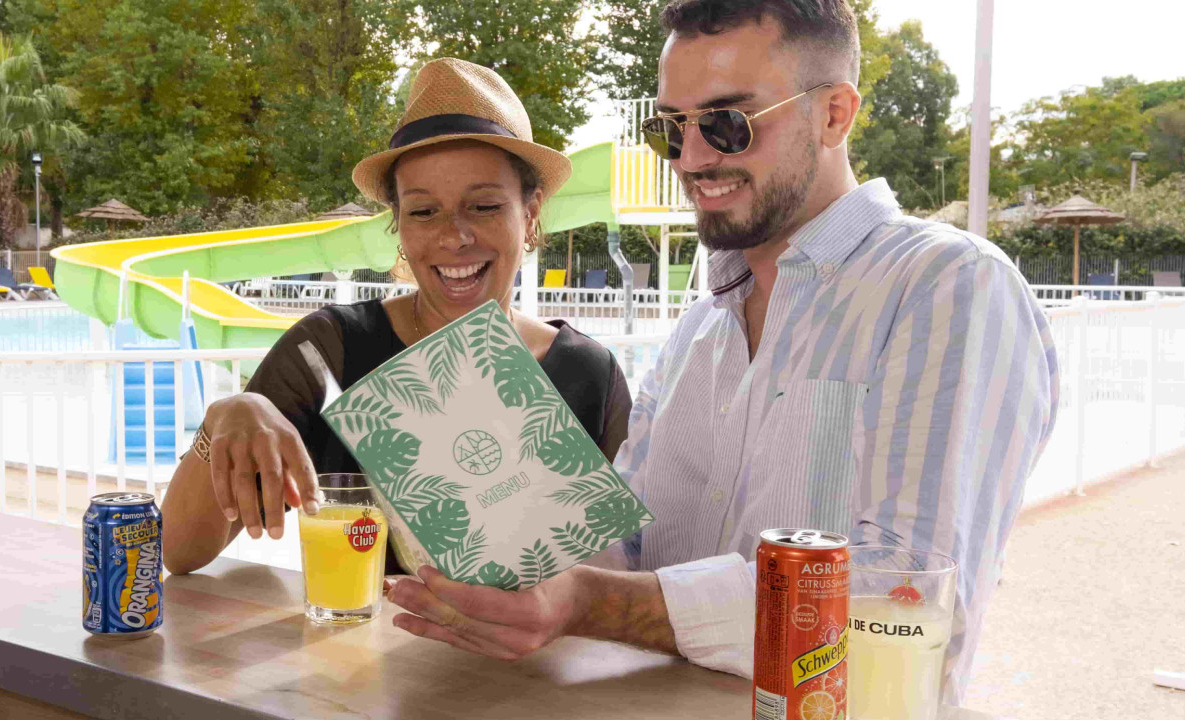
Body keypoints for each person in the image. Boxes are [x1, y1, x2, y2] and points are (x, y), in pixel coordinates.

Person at [384, 0, 1058, 706]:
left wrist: (590, 601)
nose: (695, 158)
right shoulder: (698, 329)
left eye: (728, 123)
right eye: (671, 129)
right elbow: (627, 553)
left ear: (834, 114)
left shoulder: (947, 286)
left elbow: (904, 596)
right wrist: (496, 530)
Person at [161, 58, 633, 577]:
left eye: (484, 207)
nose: (454, 237)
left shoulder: (589, 374)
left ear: (531, 210)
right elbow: (178, 552)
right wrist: (225, 417)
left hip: (529, 660)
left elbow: (623, 573)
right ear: (398, 223)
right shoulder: (329, 352)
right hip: (363, 653)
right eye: (424, 211)